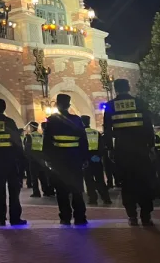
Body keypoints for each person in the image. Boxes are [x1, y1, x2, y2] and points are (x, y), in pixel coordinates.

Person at [103, 79, 155, 226]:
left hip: (122, 150)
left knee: (127, 183)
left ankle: (132, 216)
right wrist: (151, 146)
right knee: (144, 182)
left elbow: (107, 130)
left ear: (115, 89)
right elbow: (148, 126)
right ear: (129, 87)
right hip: (141, 149)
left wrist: (110, 149)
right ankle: (146, 216)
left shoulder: (110, 106)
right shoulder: (139, 102)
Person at [44, 94, 88, 226]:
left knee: (61, 191)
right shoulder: (77, 120)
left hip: (59, 161)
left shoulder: (52, 120)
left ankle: (65, 217)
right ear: (69, 105)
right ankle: (80, 217)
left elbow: (47, 141)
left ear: (57, 105)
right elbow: (83, 140)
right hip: (75, 159)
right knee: (77, 189)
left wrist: (48, 159)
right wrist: (85, 158)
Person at [0, 99, 26, 226]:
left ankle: (0, 218)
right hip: (10, 161)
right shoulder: (9, 122)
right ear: (4, 108)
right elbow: (17, 142)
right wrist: (21, 160)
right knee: (14, 190)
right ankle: (15, 218)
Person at [82, 116, 112, 205]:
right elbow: (102, 147)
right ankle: (106, 198)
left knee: (89, 180)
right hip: (96, 158)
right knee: (100, 179)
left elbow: (80, 148)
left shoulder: (80, 133)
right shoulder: (96, 132)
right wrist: (98, 156)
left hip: (86, 159)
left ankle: (93, 199)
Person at [24, 122, 46, 198]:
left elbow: (27, 148)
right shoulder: (41, 135)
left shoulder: (29, 136)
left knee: (34, 176)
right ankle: (46, 191)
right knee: (42, 175)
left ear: (32, 128)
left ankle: (36, 192)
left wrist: (27, 157)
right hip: (41, 157)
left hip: (33, 158)